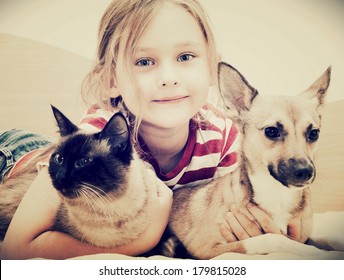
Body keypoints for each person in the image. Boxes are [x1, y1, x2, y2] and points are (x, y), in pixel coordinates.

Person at [0, 0, 301, 260]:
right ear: (110, 80)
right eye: (144, 61)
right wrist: (143, 242)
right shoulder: (98, 134)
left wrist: (277, 228)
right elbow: (16, 248)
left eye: (185, 57)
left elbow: (230, 218)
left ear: (211, 66)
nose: (169, 77)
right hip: (16, 156)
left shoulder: (224, 137)